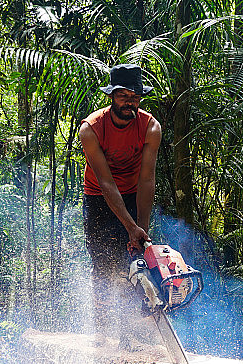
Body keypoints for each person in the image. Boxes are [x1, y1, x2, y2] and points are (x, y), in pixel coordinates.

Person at [80, 64, 162, 347]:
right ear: (112, 96)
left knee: (133, 263)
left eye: (135, 97)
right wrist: (129, 226)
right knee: (102, 265)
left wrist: (141, 229)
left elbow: (147, 179)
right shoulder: (91, 129)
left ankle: (127, 336)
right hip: (98, 198)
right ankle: (101, 334)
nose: (130, 102)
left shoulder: (150, 127)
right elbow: (105, 183)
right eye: (124, 96)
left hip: (132, 193)